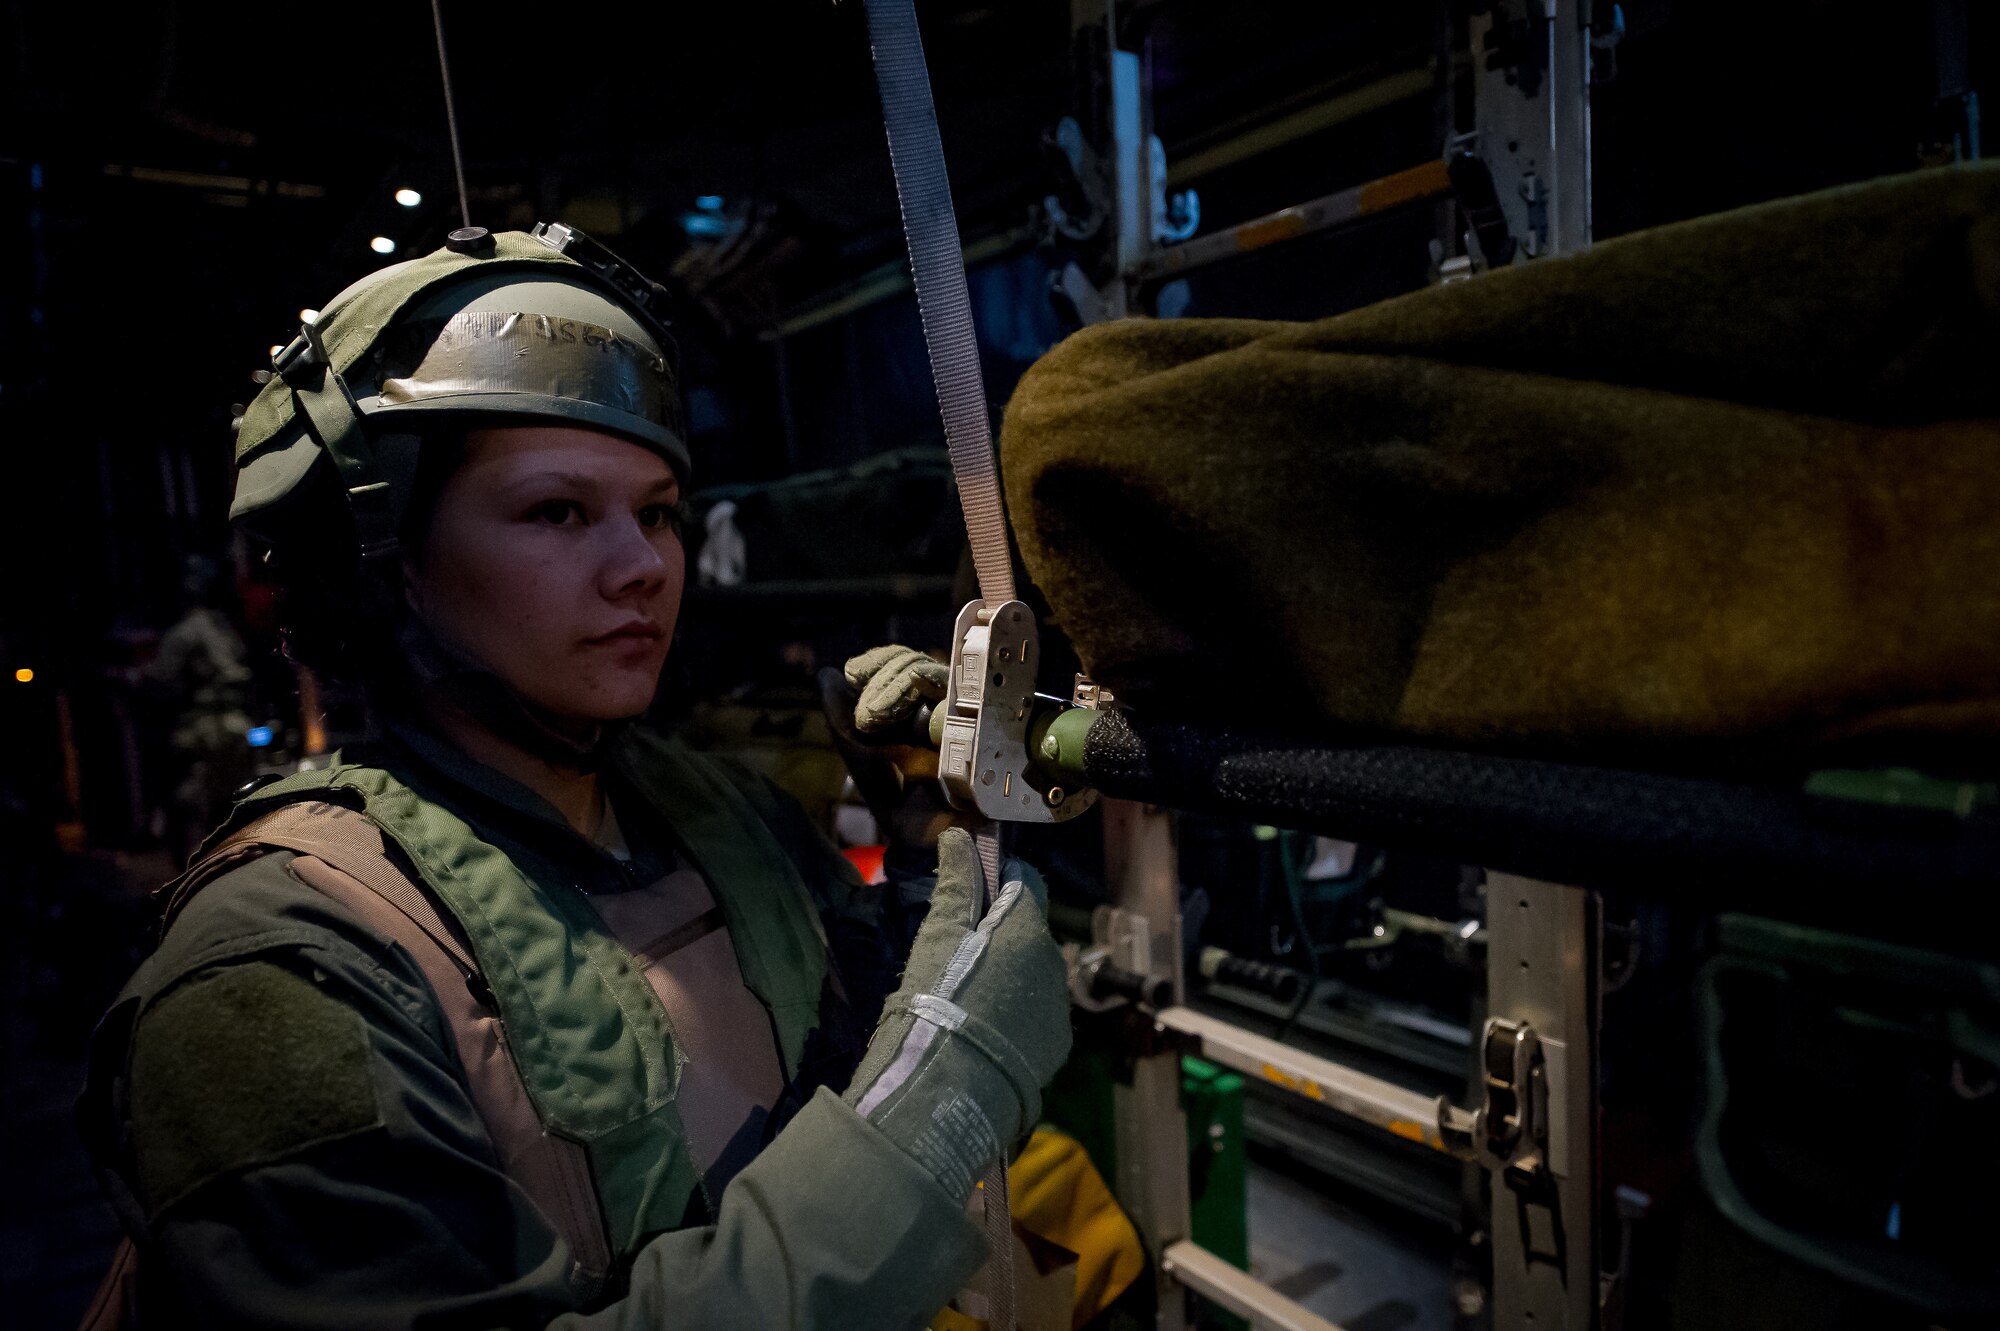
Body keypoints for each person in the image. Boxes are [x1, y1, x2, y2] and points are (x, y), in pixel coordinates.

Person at [77, 226, 1073, 1331]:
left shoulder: (720, 812)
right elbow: (917, 1080)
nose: (642, 565)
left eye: (655, 512)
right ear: (385, 560)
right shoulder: (277, 972)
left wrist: (936, 820)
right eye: (556, 511)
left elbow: (847, 1046)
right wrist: (942, 1099)